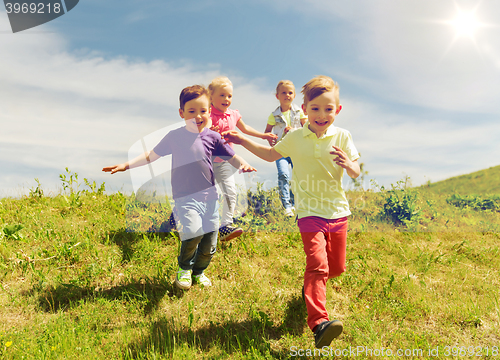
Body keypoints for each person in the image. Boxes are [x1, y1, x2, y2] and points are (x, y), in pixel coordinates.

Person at [222, 76, 360, 348]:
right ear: (304, 109)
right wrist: (241, 139)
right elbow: (270, 154)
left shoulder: (343, 136)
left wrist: (348, 165)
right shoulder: (295, 137)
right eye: (316, 108)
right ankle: (319, 323)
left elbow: (355, 169)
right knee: (317, 264)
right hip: (309, 213)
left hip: (338, 212)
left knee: (337, 268)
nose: (322, 115)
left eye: (329, 109)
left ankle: (312, 287)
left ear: (338, 110)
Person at [102, 85, 256, 290]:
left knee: (209, 245)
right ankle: (184, 269)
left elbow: (231, 156)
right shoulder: (175, 137)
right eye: (191, 111)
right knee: (193, 232)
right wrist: (126, 165)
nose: (198, 116)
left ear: (209, 111)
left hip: (210, 198)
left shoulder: (213, 137)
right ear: (181, 113)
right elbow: (151, 155)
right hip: (186, 197)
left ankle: (199, 272)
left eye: (202, 111)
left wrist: (242, 164)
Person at [209, 76, 277, 241]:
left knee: (230, 192)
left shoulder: (233, 114)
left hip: (226, 161)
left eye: (230, 96)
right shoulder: (206, 114)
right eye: (222, 95)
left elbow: (245, 128)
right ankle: (179, 217)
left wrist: (263, 135)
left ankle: (225, 226)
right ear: (210, 97)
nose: (227, 99)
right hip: (206, 161)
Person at [264, 80, 307, 217]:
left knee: (297, 177)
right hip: (281, 150)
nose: (287, 95)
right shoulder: (274, 115)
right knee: (283, 175)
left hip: (296, 149)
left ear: (294, 95)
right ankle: (287, 206)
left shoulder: (299, 112)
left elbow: (307, 128)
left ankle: (296, 204)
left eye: (290, 92)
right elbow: (267, 132)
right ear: (277, 96)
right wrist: (271, 139)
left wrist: (294, 130)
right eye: (283, 92)